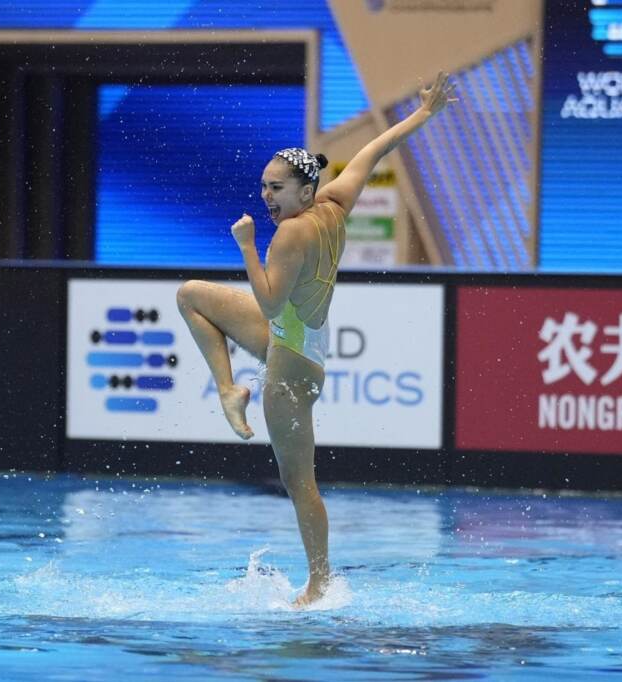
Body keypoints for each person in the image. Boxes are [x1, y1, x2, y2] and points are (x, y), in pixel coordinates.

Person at [177, 71, 456, 607]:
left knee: (298, 480)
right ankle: (228, 390)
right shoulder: (332, 205)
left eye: (276, 188)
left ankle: (319, 580)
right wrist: (423, 114)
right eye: (264, 186)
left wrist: (246, 245)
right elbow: (374, 150)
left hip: (291, 369)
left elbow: (269, 301)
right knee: (191, 294)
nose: (266, 196)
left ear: (303, 191)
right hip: (296, 341)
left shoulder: (290, 233)